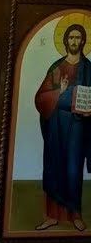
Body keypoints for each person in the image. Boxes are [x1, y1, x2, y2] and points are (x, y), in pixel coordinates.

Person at [35, 24, 91, 232]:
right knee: (54, 166)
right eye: (71, 37)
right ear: (66, 40)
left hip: (78, 125)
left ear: (83, 41)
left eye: (78, 37)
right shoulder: (57, 67)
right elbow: (40, 98)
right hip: (56, 124)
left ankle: (75, 214)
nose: (74, 41)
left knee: (73, 169)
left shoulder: (89, 69)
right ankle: (52, 216)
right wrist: (60, 92)